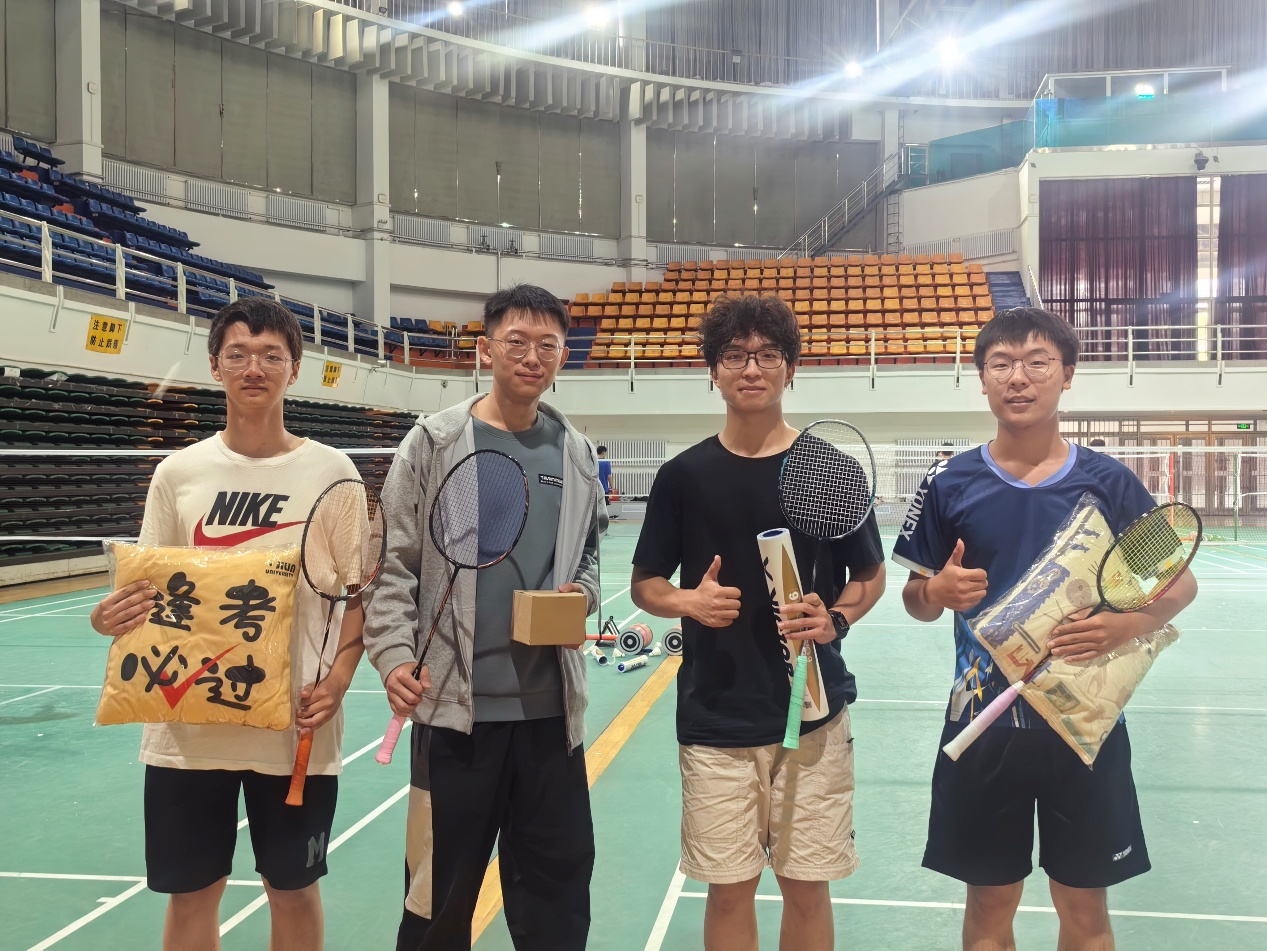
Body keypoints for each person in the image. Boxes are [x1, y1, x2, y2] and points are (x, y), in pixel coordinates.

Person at [892, 307, 1198, 951]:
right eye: (1001, 364)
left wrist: (1125, 626)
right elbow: (915, 600)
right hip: (983, 723)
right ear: (981, 379)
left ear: (1067, 374)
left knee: (1084, 910)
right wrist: (935, 592)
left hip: (1083, 723)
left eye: (1037, 363)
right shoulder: (950, 482)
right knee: (989, 906)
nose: (1019, 378)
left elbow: (1180, 585)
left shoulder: (1108, 482)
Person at [89, 298, 364, 950]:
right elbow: (144, 589)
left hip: (294, 727)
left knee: (292, 891)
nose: (254, 368)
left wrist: (339, 681)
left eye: (271, 355)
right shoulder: (178, 473)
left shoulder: (334, 474)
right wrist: (107, 617)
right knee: (190, 895)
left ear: (294, 368)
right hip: (187, 727)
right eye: (238, 354)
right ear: (215, 366)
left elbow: (356, 598)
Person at [630, 294, 887, 951]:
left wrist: (834, 618)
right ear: (712, 371)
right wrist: (688, 602)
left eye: (768, 354)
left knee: (807, 888)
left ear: (790, 369)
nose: (751, 368)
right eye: (734, 355)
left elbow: (870, 575)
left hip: (814, 713)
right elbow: (646, 584)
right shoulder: (682, 476)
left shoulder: (828, 468)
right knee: (728, 889)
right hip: (716, 716)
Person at [363, 284, 601, 951]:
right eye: (516, 341)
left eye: (547, 345)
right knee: (434, 907)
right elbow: (391, 563)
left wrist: (580, 598)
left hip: (551, 722)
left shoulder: (576, 452)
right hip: (452, 720)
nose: (532, 356)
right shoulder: (434, 442)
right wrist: (393, 654)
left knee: (557, 907)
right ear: (486, 349)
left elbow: (587, 556)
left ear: (562, 356)